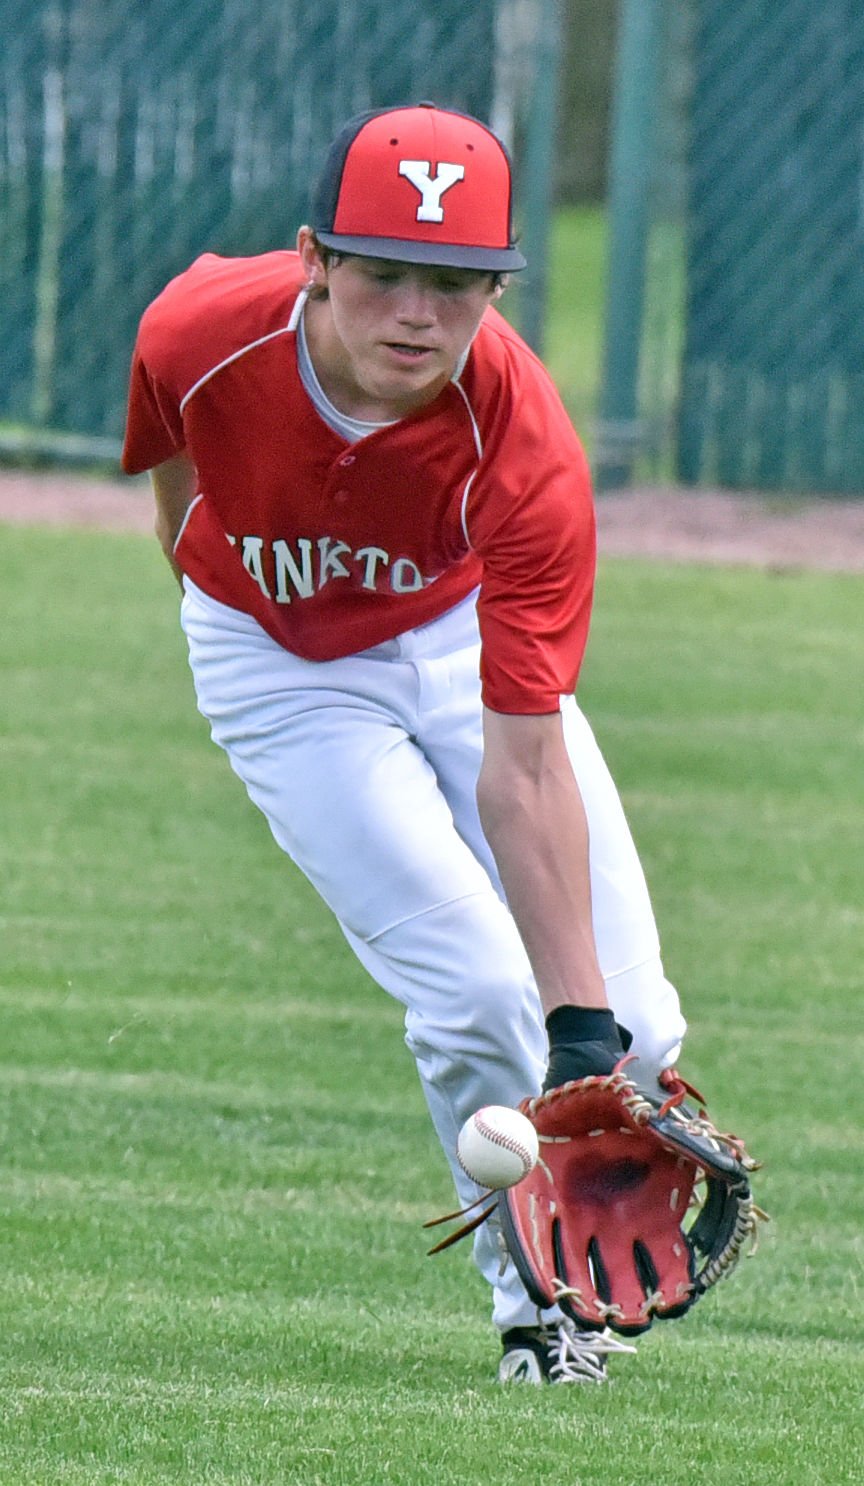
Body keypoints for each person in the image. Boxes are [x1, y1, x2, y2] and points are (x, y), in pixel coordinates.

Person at [122, 101, 687, 1385]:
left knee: (638, 1032)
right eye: (382, 272)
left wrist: (586, 1032)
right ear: (316, 255)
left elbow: (526, 758)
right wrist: (222, 599)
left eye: (456, 283)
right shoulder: (200, 329)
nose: (416, 315)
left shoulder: (525, 440)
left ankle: (585, 1117)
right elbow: (174, 461)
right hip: (276, 663)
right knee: (481, 998)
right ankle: (534, 1308)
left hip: (449, 633)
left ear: (494, 289)